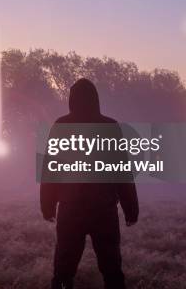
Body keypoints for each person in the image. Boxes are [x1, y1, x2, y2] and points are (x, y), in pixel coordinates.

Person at [40, 79, 138, 289]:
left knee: (63, 271)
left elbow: (51, 170)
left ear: (71, 100)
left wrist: (47, 205)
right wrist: (131, 209)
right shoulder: (110, 126)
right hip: (103, 210)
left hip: (70, 209)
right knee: (112, 270)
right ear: (96, 100)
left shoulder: (61, 125)